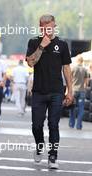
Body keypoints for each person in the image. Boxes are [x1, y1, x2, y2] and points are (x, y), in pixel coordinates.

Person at [26, 14, 73, 169]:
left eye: (49, 26)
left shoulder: (62, 44)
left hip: (56, 92)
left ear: (54, 26)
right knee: (36, 126)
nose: (47, 29)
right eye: (43, 26)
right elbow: (31, 63)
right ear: (40, 27)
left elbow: (66, 68)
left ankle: (53, 157)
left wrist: (70, 91)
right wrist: (42, 46)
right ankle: (40, 145)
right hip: (39, 91)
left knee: (54, 125)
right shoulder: (34, 42)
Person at [69, 55, 89, 130]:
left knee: (72, 108)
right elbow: (86, 81)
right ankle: (79, 125)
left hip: (74, 91)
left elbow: (69, 79)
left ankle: (71, 124)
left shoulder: (73, 68)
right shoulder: (85, 69)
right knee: (81, 109)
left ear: (77, 61)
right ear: (82, 61)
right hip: (82, 91)